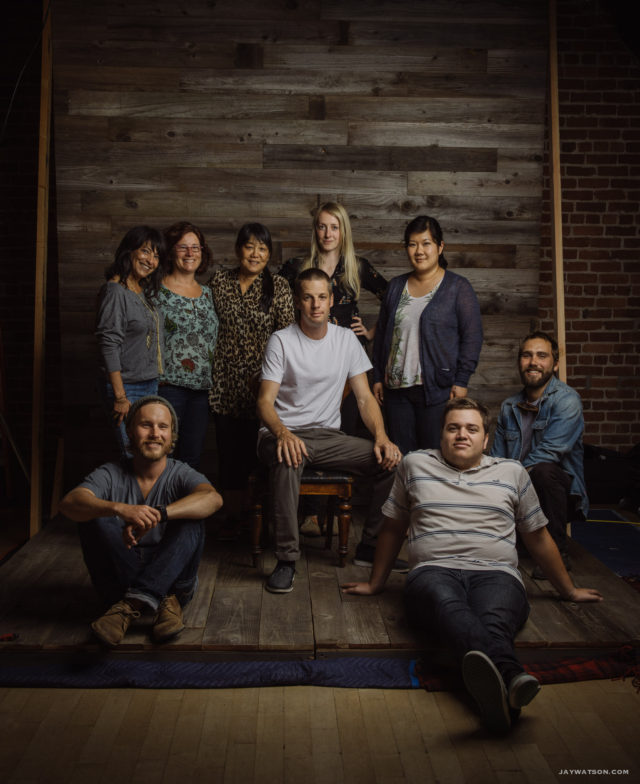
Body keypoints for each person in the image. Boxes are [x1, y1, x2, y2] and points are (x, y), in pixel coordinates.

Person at [342, 397, 602, 734]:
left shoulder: (512, 473)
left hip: (497, 575)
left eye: (471, 429)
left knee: (493, 620)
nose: (461, 435)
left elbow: (538, 538)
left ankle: (498, 701)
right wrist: (376, 583)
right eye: (453, 428)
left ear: (485, 439)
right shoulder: (415, 465)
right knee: (448, 604)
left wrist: (567, 590)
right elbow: (392, 527)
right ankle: (512, 676)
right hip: (433, 573)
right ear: (441, 436)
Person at [256, 267, 404, 594]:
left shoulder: (346, 340)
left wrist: (381, 436)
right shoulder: (281, 341)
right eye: (308, 297)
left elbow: (365, 399)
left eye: (322, 297)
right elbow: (265, 402)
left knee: (392, 461)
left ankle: (370, 546)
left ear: (332, 300)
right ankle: (287, 559)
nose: (315, 304)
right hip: (282, 435)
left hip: (327, 438)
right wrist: (282, 433)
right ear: (298, 301)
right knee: (289, 456)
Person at [59, 396, 222, 647]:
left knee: (192, 519)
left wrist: (159, 514)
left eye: (163, 427)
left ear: (171, 436)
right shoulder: (111, 473)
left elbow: (213, 499)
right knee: (93, 515)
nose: (155, 433)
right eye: (146, 425)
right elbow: (70, 503)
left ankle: (129, 606)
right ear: (130, 433)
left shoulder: (180, 472)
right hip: (117, 583)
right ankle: (154, 598)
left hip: (175, 586)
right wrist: (119, 509)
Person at [278, 202, 388, 534]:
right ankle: (310, 514)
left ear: (344, 232)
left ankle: (336, 513)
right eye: (322, 226)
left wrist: (370, 332)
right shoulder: (298, 266)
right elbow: (270, 296)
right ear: (316, 231)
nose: (328, 233)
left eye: (335, 227)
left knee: (343, 436)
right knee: (311, 430)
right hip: (309, 362)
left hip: (348, 363)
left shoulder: (357, 266)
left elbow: (393, 297)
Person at [208, 223, 294, 537]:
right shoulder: (219, 281)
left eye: (262, 248)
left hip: (264, 387)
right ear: (238, 249)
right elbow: (207, 327)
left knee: (259, 456)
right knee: (229, 455)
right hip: (225, 386)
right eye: (249, 246)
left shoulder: (280, 286)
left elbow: (288, 338)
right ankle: (234, 520)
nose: (255, 253)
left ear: (269, 254)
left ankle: (262, 522)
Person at [372, 215, 483, 456]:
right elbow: (382, 335)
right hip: (395, 392)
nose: (419, 251)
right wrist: (377, 377)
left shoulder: (457, 288)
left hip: (436, 390)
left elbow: (472, 337)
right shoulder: (395, 287)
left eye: (426, 243)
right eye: (412, 244)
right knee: (401, 460)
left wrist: (462, 380)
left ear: (440, 246)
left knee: (433, 459)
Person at [490, 331, 588, 574]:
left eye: (541, 356)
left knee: (543, 471)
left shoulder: (567, 401)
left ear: (554, 365)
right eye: (527, 355)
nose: (533, 362)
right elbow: (497, 458)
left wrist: (509, 480)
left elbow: (549, 453)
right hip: (518, 492)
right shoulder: (509, 406)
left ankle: (557, 551)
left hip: (555, 493)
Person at [96, 225, 166, 458]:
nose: (151, 260)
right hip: (128, 389)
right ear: (129, 251)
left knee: (149, 458)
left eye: (156, 256)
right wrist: (120, 397)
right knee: (134, 457)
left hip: (149, 385)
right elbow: (108, 344)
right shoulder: (115, 291)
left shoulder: (141, 290)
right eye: (146, 251)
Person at [156, 221, 218, 470]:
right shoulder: (156, 290)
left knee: (191, 458)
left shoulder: (208, 293)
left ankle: (183, 509)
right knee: (162, 455)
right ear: (171, 251)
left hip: (202, 390)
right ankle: (157, 508)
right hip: (168, 387)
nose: (190, 253)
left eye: (196, 247)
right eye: (183, 247)